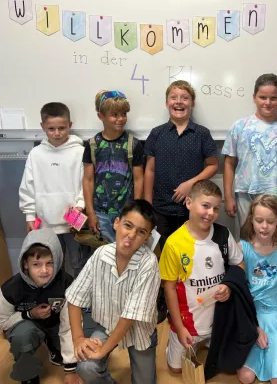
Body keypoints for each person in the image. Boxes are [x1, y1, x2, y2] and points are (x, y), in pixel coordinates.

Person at [66, 199, 160, 384]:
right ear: (116, 223)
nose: (131, 235)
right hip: (107, 324)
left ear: (147, 238)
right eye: (128, 225)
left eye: (141, 232)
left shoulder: (149, 264)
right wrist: (78, 338)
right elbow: (74, 298)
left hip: (139, 331)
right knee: (86, 366)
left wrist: (103, 350)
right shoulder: (100, 254)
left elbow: (130, 317)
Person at [159, 179, 244, 374]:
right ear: (189, 202)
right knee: (175, 370)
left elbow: (239, 264)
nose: (211, 213)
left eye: (216, 208)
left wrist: (229, 286)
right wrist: (179, 327)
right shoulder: (173, 243)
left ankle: (208, 339)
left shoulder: (223, 235)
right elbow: (169, 288)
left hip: (219, 319)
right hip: (187, 323)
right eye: (205, 206)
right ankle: (179, 340)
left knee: (229, 367)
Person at [223, 73, 277, 230]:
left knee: (274, 238)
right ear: (254, 98)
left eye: (273, 98)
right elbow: (229, 163)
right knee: (246, 239)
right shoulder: (239, 127)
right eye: (262, 97)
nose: (268, 102)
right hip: (245, 193)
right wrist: (228, 197)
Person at [144, 80, 218, 249]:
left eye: (185, 98)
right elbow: (150, 170)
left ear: (192, 104)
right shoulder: (157, 133)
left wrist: (191, 184)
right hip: (161, 209)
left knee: (191, 252)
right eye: (173, 97)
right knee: (164, 253)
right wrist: (148, 204)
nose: (179, 102)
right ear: (166, 103)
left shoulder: (202, 134)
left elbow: (213, 165)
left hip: (193, 208)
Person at [0, 228, 81, 384]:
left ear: (58, 261)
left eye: (50, 263)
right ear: (25, 264)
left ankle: (53, 344)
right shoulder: (11, 288)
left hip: (57, 324)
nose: (44, 270)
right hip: (28, 325)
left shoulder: (67, 283)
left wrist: (70, 370)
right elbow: (2, 322)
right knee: (22, 336)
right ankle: (28, 375)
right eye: (36, 264)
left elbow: (69, 325)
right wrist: (30, 314)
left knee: (82, 340)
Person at [19, 102, 90, 277]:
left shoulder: (80, 152)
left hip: (74, 223)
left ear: (70, 125)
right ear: (42, 126)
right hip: (46, 224)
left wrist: (80, 206)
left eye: (62, 128)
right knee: (53, 266)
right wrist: (29, 216)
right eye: (51, 129)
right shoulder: (36, 154)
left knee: (80, 264)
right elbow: (27, 186)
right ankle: (58, 294)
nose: (57, 133)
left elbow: (86, 184)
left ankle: (81, 295)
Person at [237, 195, 277, 384]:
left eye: (270, 221)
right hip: (250, 316)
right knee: (246, 377)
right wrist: (254, 328)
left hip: (276, 315)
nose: (264, 226)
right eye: (259, 220)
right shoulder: (242, 248)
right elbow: (239, 294)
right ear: (251, 219)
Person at [83, 90, 145, 243]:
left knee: (126, 250)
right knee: (104, 253)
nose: (121, 119)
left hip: (125, 213)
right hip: (100, 213)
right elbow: (88, 180)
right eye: (114, 115)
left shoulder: (133, 144)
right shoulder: (92, 145)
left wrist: (135, 211)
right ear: (101, 116)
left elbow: (138, 179)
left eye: (124, 114)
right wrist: (90, 212)